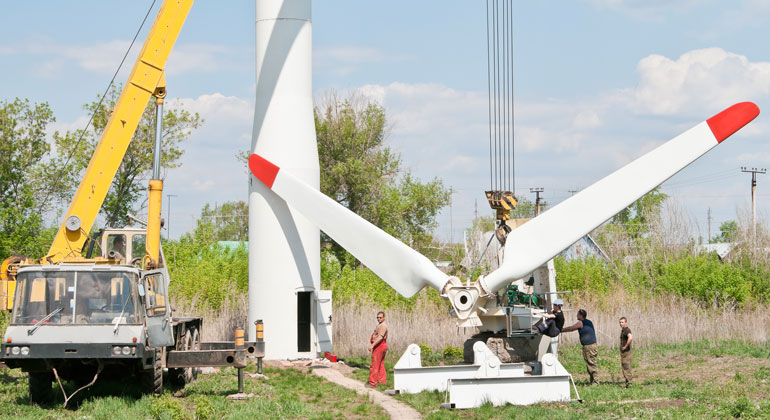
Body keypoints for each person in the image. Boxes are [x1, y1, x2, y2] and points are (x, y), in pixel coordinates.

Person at [562, 309, 599, 385]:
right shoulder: (589, 322)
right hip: (592, 345)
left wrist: (560, 330)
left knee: (591, 364)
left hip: (589, 346)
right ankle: (593, 381)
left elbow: (571, 328)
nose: (576, 315)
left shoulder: (581, 323)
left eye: (578, 314)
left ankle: (596, 382)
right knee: (590, 363)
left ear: (581, 315)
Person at [367, 311, 388, 388]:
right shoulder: (380, 325)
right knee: (380, 365)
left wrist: (372, 345)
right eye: (377, 317)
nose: (379, 319)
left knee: (374, 365)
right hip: (382, 346)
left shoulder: (383, 326)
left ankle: (372, 383)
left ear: (384, 318)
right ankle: (382, 382)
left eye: (380, 317)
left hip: (380, 346)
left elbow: (380, 337)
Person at [619, 316, 633, 388]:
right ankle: (627, 384)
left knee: (626, 367)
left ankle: (630, 384)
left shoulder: (627, 330)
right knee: (624, 368)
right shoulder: (623, 330)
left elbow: (630, 338)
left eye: (622, 322)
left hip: (626, 352)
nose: (621, 324)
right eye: (620, 322)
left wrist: (625, 346)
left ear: (626, 323)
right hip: (624, 353)